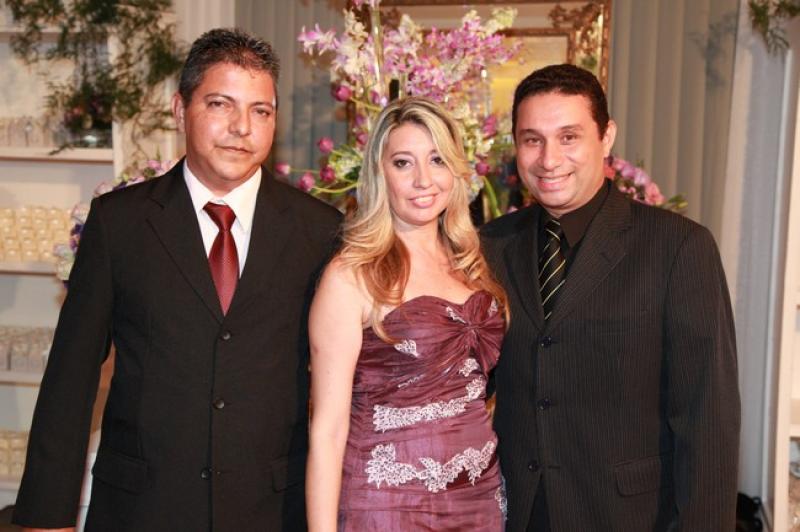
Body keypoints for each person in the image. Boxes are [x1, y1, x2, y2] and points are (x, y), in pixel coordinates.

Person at [13, 28, 342, 531]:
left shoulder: (319, 230)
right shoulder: (119, 223)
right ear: (179, 109)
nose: (241, 127)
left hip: (273, 511)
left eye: (260, 111)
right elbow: (70, 379)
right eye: (220, 104)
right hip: (142, 509)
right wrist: (46, 518)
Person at [481, 63, 741, 531]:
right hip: (513, 514)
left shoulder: (678, 247)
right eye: (532, 139)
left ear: (606, 137)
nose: (549, 159)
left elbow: (708, 419)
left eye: (568, 137)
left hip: (629, 518)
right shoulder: (488, 247)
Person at [306, 96, 508, 531]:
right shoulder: (352, 274)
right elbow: (327, 431)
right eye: (403, 163)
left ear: (455, 170)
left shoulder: (473, 265)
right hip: (387, 505)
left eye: (437, 160)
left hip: (479, 503)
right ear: (380, 173)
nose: (423, 180)